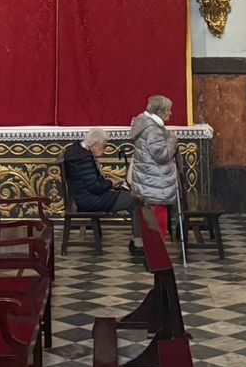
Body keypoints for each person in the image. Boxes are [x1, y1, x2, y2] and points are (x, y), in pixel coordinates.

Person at [128, 94, 180, 255]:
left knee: (152, 221)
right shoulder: (153, 129)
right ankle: (157, 256)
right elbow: (162, 155)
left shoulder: (146, 125)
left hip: (149, 180)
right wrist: (172, 140)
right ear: (160, 112)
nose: (171, 114)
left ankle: (153, 254)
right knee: (158, 223)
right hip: (156, 184)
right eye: (168, 111)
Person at [63, 128, 135, 218]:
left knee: (128, 195)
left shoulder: (78, 150)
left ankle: (138, 230)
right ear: (94, 145)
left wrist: (109, 182)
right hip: (90, 200)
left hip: (86, 196)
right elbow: (95, 187)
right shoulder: (82, 159)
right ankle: (140, 232)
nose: (104, 149)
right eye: (104, 145)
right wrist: (111, 183)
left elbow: (91, 182)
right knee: (135, 199)